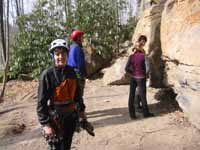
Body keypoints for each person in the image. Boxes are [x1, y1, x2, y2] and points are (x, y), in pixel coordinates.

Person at [37, 39, 93, 150]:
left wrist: (82, 114)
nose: (60, 57)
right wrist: (46, 125)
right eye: (57, 54)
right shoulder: (47, 75)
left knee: (66, 145)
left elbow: (78, 96)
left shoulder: (72, 72)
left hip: (70, 117)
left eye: (63, 54)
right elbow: (41, 102)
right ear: (53, 56)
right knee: (56, 147)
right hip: (55, 118)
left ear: (67, 55)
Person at [125, 35, 154, 119]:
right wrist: (145, 74)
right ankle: (146, 113)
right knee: (143, 96)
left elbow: (126, 68)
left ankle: (132, 115)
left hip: (133, 77)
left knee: (131, 95)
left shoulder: (131, 56)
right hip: (141, 77)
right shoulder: (144, 56)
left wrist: (132, 72)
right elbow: (148, 68)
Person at [68, 29, 87, 101]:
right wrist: (84, 74)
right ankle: (78, 109)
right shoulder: (78, 48)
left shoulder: (71, 47)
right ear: (78, 38)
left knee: (72, 92)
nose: (83, 38)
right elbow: (80, 64)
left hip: (70, 73)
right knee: (79, 93)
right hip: (77, 73)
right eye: (81, 37)